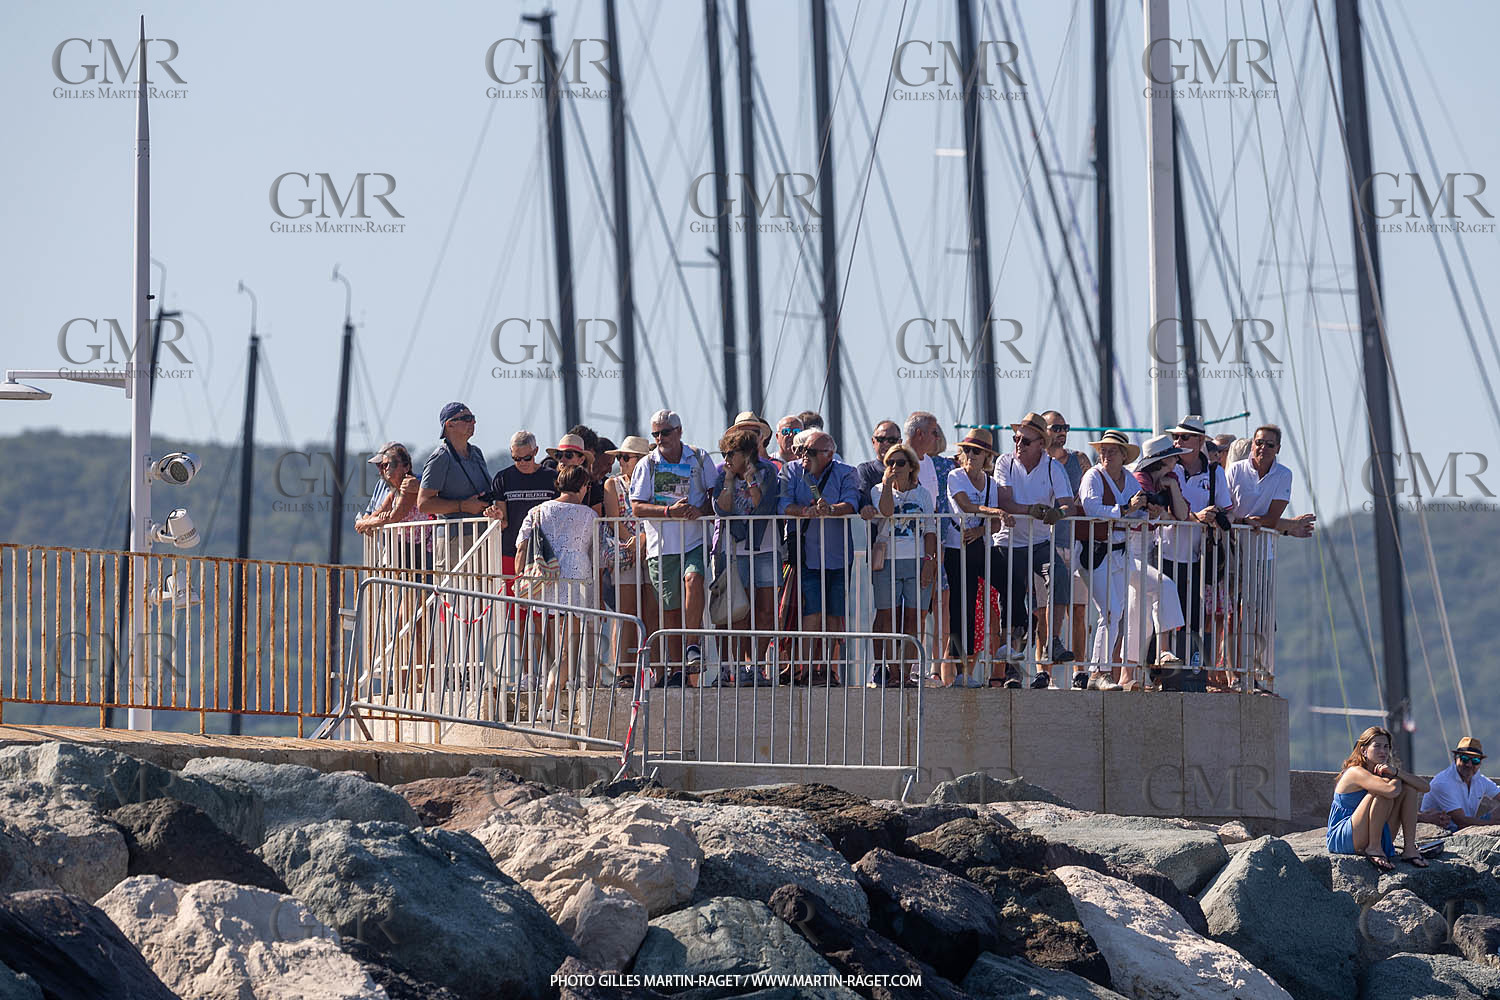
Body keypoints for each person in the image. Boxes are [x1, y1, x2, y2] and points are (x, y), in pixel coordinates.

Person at [630, 409, 714, 684]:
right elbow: (636, 507)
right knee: (671, 609)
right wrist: (669, 513)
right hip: (661, 545)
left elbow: (715, 495)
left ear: (679, 431)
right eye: (655, 433)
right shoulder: (647, 464)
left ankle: (692, 646)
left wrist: (700, 510)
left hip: (694, 539)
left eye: (664, 432)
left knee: (694, 580)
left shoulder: (700, 457)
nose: (659, 438)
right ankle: (679, 670)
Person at [993, 412, 1077, 688]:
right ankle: (1012, 670)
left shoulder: (1054, 467)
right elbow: (1005, 501)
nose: (1018, 443)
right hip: (1008, 542)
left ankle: (1052, 641)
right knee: (1013, 599)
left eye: (1025, 440)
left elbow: (1068, 504)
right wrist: (1033, 510)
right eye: (1016, 438)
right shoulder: (1004, 462)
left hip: (1039, 543)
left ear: (1041, 442)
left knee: (1060, 577)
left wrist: (1058, 514)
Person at [514, 465, 604, 700]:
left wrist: (521, 578)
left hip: (546, 577)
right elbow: (598, 552)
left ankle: (551, 686)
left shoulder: (537, 511)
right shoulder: (589, 515)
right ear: (583, 486)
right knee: (567, 646)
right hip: (577, 576)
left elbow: (522, 547)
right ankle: (551, 695)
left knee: (552, 641)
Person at [778, 430, 860, 684]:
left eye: (811, 452)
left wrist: (831, 510)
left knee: (835, 613)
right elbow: (783, 504)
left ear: (829, 454)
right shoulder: (791, 471)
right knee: (810, 611)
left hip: (837, 554)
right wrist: (805, 511)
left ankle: (829, 668)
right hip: (805, 555)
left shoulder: (846, 472)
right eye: (803, 450)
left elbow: (852, 502)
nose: (805, 456)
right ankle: (805, 668)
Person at [1157, 416, 1232, 672]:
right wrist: (1195, 518)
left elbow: (1228, 511)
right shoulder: (1167, 468)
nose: (1178, 441)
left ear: (1200, 440)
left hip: (1198, 556)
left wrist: (1215, 518)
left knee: (1194, 616)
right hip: (1163, 551)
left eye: (1184, 437)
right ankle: (1159, 671)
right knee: (1164, 612)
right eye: (1175, 437)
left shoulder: (1215, 471)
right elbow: (1159, 507)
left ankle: (1193, 671)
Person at [711, 424, 781, 681]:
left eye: (731, 454)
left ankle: (758, 666)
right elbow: (723, 510)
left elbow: (763, 506)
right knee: (738, 611)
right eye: (724, 455)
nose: (727, 460)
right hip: (735, 550)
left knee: (764, 610)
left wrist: (751, 480)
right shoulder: (722, 477)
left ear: (748, 453)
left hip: (766, 546)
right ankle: (737, 666)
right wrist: (729, 480)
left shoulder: (768, 472)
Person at [1122, 435, 1189, 684]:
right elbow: (1143, 516)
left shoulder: (1167, 482)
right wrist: (1158, 506)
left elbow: (1182, 515)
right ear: (1163, 460)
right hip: (1127, 552)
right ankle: (1163, 650)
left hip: (1144, 553)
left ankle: (1128, 676)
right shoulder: (1141, 481)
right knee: (1165, 585)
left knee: (1138, 616)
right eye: (1173, 458)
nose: (1176, 462)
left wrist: (1171, 489)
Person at [1077, 430, 1142, 690]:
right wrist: (1127, 509)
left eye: (1112, 450)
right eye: (1103, 449)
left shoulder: (1130, 480)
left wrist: (1149, 509)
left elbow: (1139, 516)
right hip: (1093, 550)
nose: (1105, 454)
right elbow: (1091, 508)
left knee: (1115, 613)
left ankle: (1097, 671)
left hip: (1120, 551)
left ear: (1124, 456)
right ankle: (1099, 672)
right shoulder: (1092, 476)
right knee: (1111, 611)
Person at [869, 443, 937, 687]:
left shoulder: (923, 495)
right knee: (887, 617)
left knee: (913, 619)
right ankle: (890, 671)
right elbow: (886, 512)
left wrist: (929, 562)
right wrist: (888, 485)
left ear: (911, 467)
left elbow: (931, 529)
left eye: (900, 463)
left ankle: (906, 674)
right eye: (890, 463)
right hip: (887, 560)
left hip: (917, 559)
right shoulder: (878, 490)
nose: (894, 467)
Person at [945, 430, 1009, 687]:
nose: (970, 455)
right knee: (963, 607)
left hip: (979, 546)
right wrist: (994, 512)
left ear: (987, 457)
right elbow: (965, 505)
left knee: (1010, 583)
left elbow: (994, 524)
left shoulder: (991, 483)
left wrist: (980, 530)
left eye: (976, 451)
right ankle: (961, 672)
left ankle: (1009, 640)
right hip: (956, 547)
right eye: (967, 450)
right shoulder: (955, 476)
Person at [1328, 726, 1431, 872]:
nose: (1383, 751)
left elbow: (1425, 787)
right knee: (1383, 793)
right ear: (1364, 750)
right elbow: (1390, 790)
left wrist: (1395, 772)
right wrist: (1395, 777)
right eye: (1377, 746)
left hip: (1370, 831)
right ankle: (1374, 847)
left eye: (1386, 747)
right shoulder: (1355, 772)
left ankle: (1409, 849)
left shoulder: (1383, 772)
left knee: (1409, 790)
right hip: (1344, 837)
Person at [417, 402, 502, 572]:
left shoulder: (476, 453)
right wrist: (462, 506)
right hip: (454, 540)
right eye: (466, 418)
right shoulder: (441, 458)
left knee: (482, 596)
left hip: (481, 536)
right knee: (455, 596)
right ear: (450, 424)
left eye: (473, 418)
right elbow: (424, 503)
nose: (473, 423)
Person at [603, 436, 656, 686]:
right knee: (626, 613)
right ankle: (625, 671)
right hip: (626, 553)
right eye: (619, 457)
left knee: (652, 613)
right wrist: (636, 541)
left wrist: (644, 540)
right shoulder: (612, 484)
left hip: (652, 549)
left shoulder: (654, 482)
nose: (620, 462)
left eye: (625, 457)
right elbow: (614, 520)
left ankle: (654, 669)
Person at [1042, 411, 1090, 670]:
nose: (1062, 432)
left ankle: (1080, 672)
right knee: (1044, 612)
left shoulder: (1078, 461)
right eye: (1056, 427)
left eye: (1065, 427)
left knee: (1078, 611)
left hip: (1074, 544)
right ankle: (1044, 672)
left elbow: (1089, 496)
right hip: (1045, 545)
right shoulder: (1036, 462)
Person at [857, 420, 904, 669]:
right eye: (881, 439)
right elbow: (864, 501)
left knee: (907, 613)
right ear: (873, 441)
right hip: (881, 548)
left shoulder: (908, 467)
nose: (886, 444)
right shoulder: (866, 470)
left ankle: (902, 668)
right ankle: (879, 666)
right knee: (884, 610)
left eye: (892, 440)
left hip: (910, 548)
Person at [1419, 737, 1500, 831]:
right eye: (1464, 759)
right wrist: (1495, 825)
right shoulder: (1443, 782)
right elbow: (1461, 821)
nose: (1469, 764)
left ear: (1480, 763)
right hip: (1445, 830)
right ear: (1455, 758)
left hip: (1467, 826)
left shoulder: (1480, 779)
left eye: (1475, 761)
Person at [555, 431, 604, 514]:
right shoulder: (549, 478)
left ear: (581, 460)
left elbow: (596, 522)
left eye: (568, 455)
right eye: (559, 455)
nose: (562, 460)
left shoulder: (592, 486)